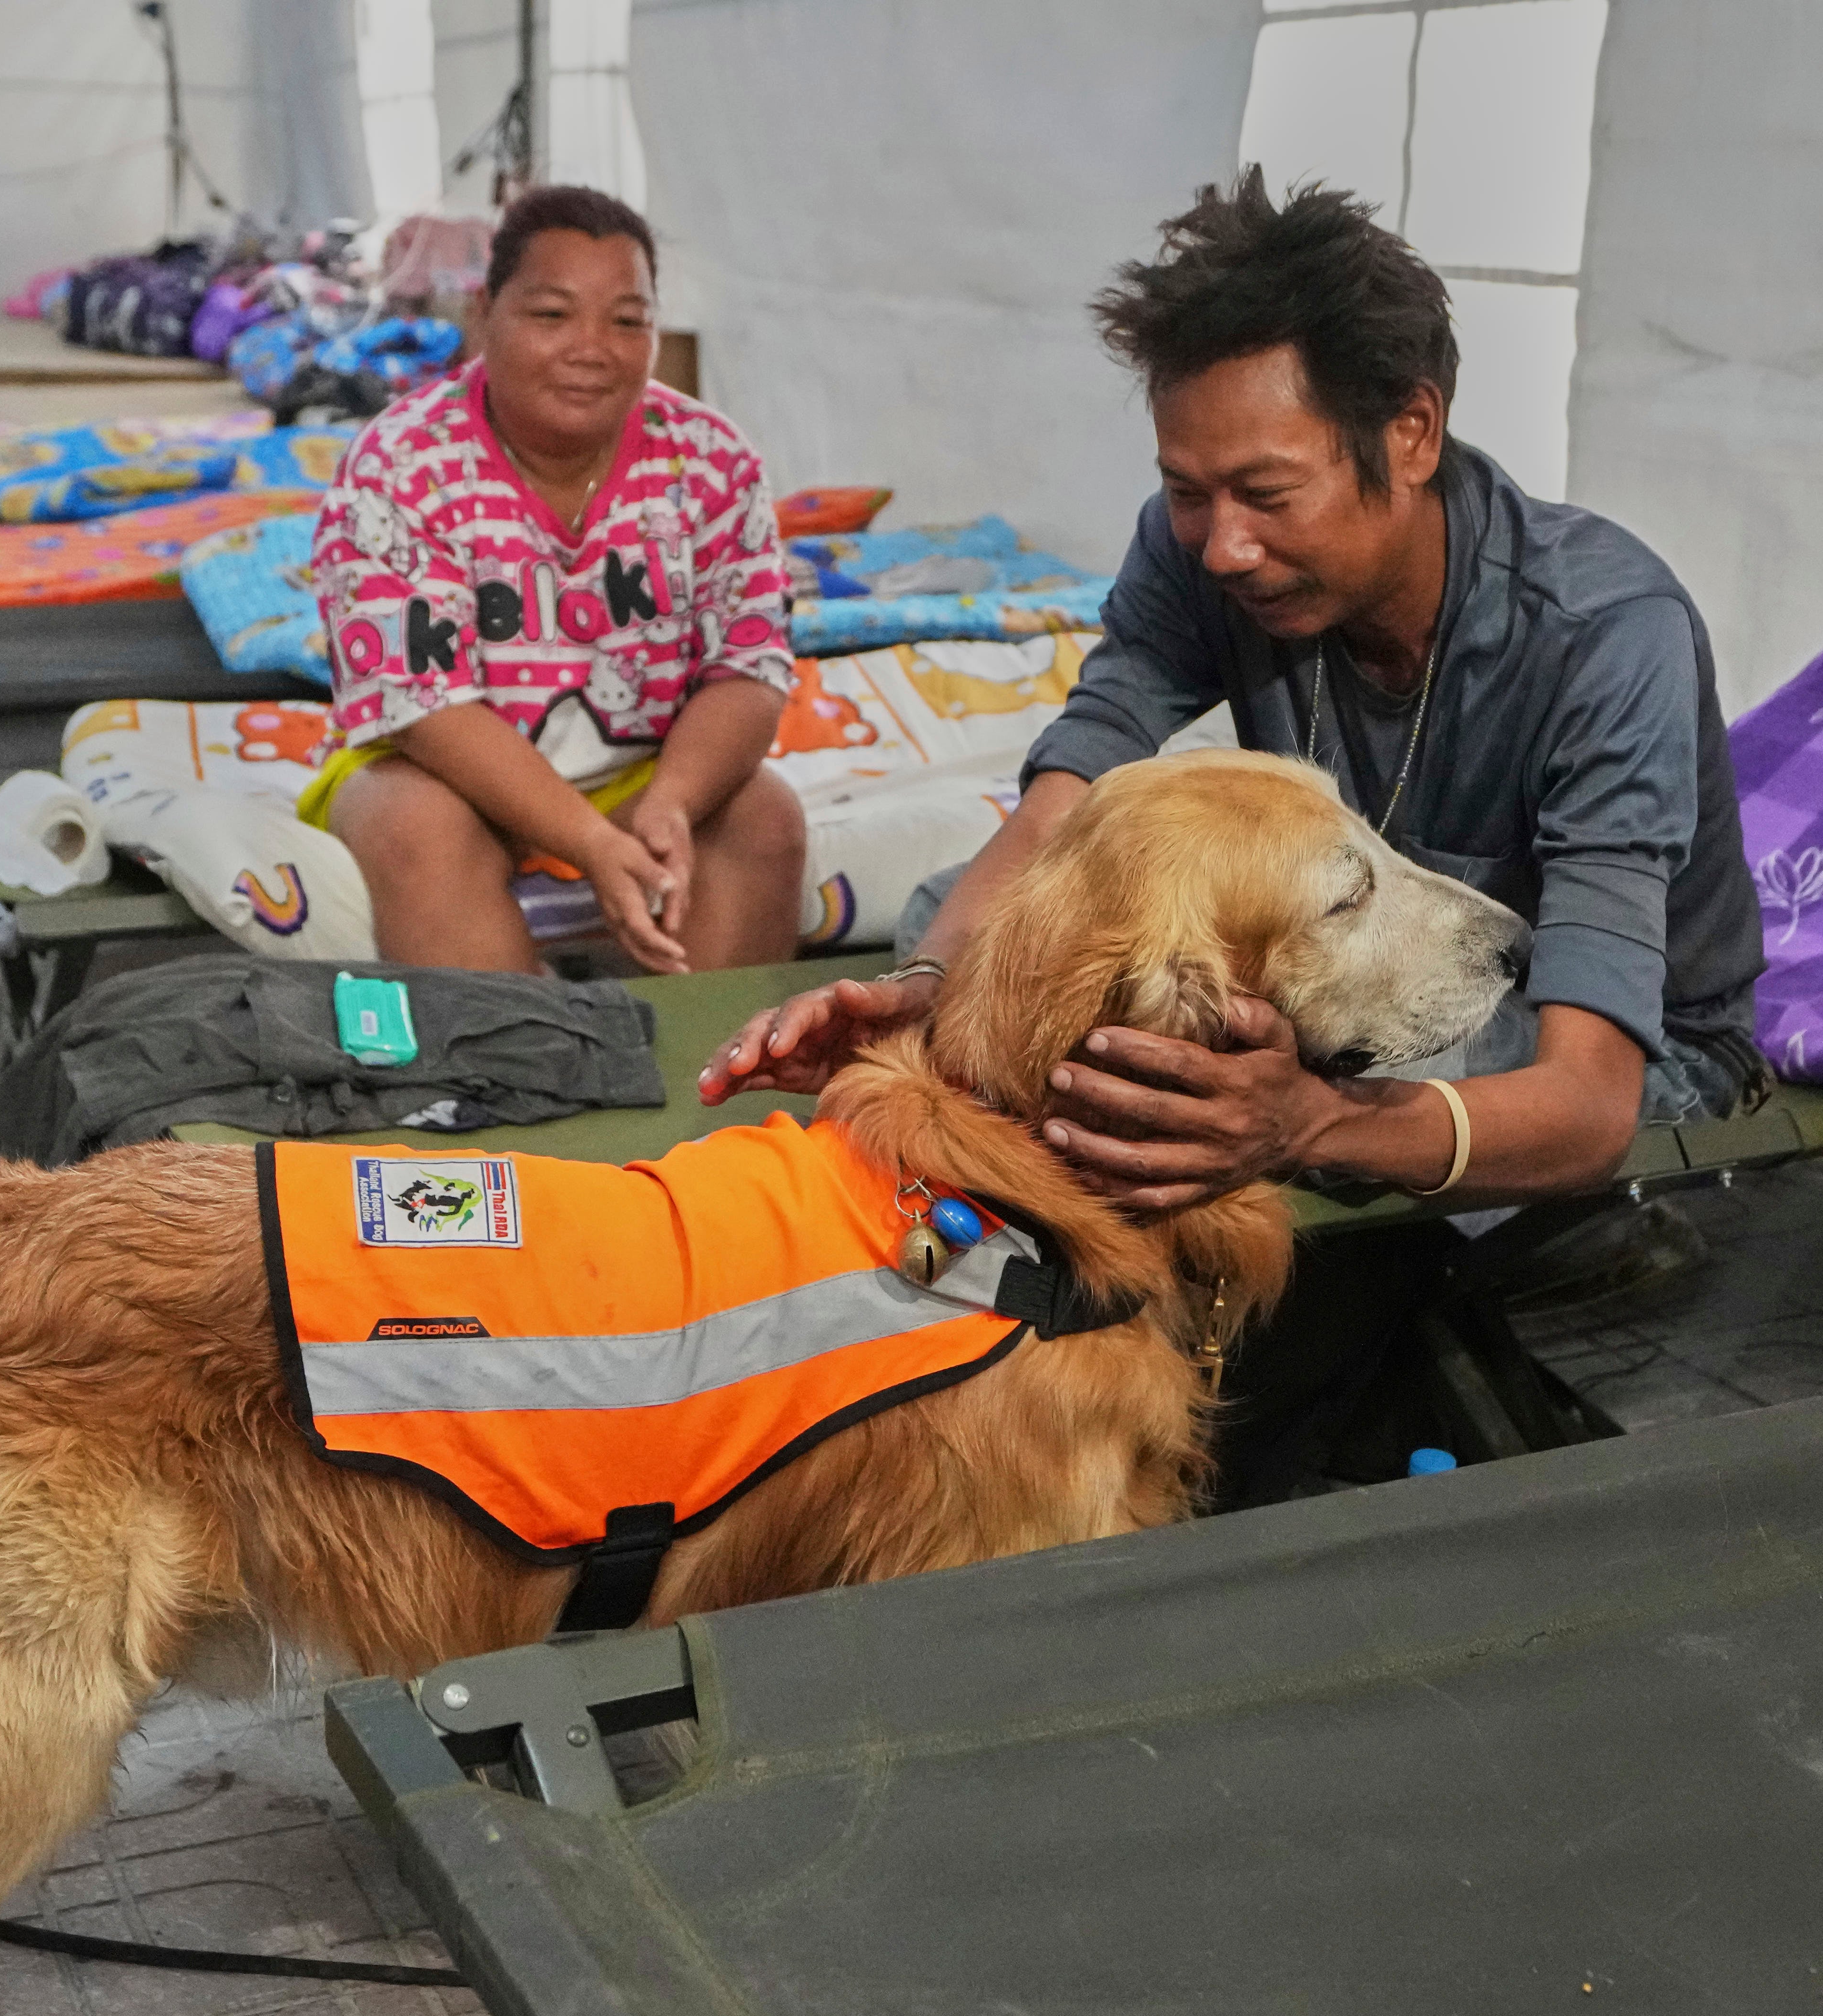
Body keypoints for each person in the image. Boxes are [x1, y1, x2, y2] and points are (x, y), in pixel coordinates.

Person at [699, 170, 1768, 1498]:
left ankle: (1142, 1418)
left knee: (1198, 1100)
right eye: (1187, 492)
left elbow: (1588, 1104)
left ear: (1413, 432)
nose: (1220, 546)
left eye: (1264, 491)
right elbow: (1063, 815)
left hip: (1596, 1041)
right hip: (1336, 983)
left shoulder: (1605, 637)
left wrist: (1300, 1124)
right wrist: (930, 999)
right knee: (955, 916)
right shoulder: (1204, 543)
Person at [306, 184, 805, 973]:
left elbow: (747, 666)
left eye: (628, 321)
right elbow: (422, 706)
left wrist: (673, 801)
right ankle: (515, 1078)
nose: (592, 348)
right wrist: (587, 841)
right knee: (414, 827)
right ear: (483, 316)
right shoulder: (403, 465)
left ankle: (713, 1081)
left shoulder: (710, 459)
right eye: (551, 315)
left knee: (763, 817)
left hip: (634, 774)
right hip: (442, 775)